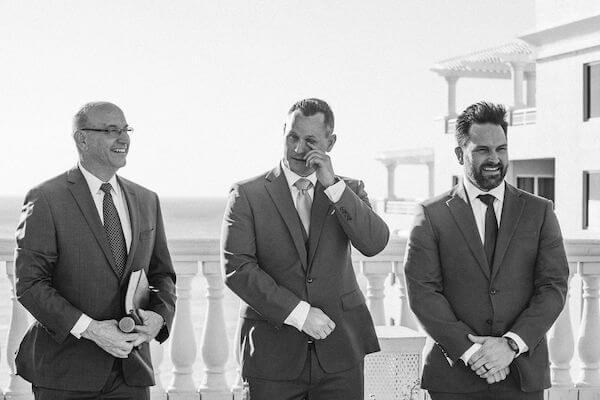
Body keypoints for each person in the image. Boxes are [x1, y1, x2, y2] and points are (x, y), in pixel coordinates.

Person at [222, 98, 389, 399]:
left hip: (341, 355)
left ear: (330, 141)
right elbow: (237, 269)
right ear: (283, 132)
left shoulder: (348, 190)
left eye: (310, 141)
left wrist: (334, 186)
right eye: (292, 137)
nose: (299, 149)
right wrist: (300, 314)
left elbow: (374, 243)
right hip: (272, 358)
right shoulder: (247, 194)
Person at [404, 101, 569, 400]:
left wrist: (510, 345)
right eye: (482, 150)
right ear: (459, 154)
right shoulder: (431, 214)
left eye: (501, 149)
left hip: (521, 373)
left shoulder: (540, 211)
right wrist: (473, 353)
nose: (494, 158)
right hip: (453, 377)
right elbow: (423, 293)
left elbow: (553, 286)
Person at [15, 101, 177, 400]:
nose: (124, 138)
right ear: (82, 138)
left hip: (132, 372)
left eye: (126, 129)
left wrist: (159, 316)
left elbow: (162, 274)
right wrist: (91, 329)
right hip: (65, 373)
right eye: (111, 130)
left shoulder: (146, 199)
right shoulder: (46, 199)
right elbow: (30, 284)